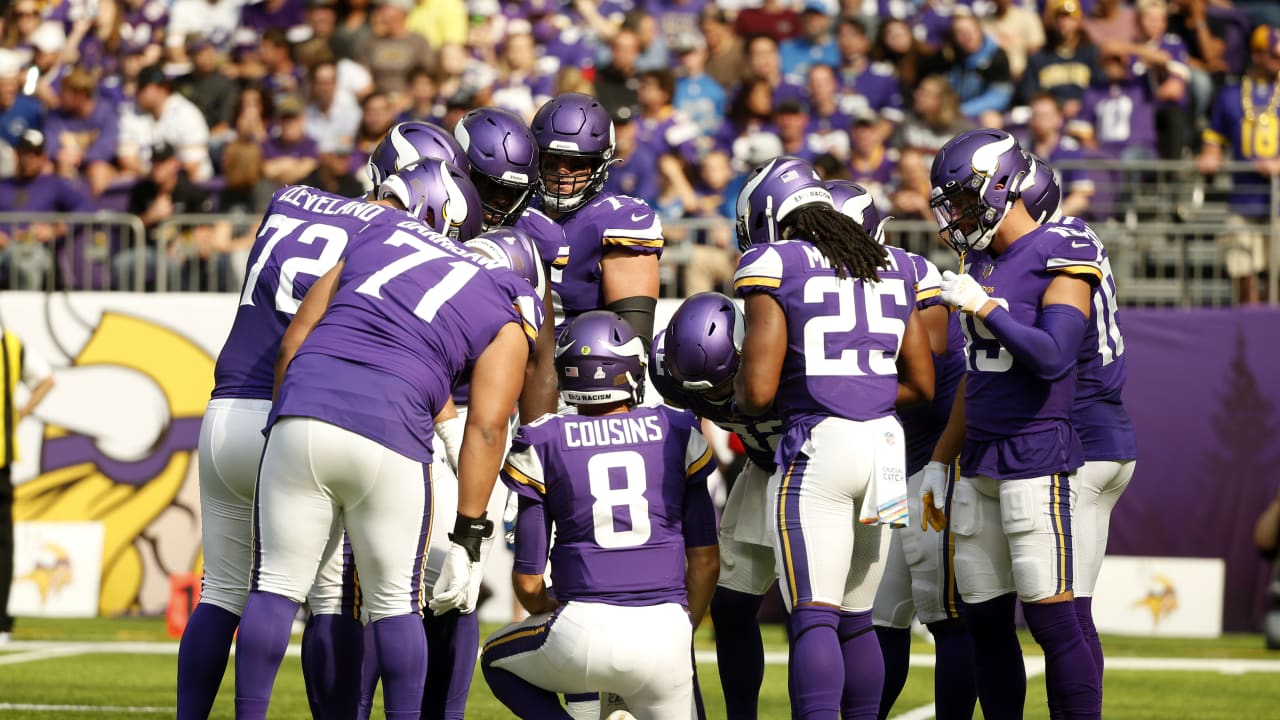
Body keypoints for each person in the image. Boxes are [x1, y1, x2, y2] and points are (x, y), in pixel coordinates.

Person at [233, 164, 538, 719]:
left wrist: (283, 424)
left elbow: (294, 340)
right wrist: (470, 531)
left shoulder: (379, 231)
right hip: (392, 431)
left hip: (305, 404)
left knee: (274, 589)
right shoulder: (507, 298)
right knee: (396, 605)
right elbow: (488, 426)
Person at [175, 160, 477, 720]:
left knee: (221, 590)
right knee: (329, 595)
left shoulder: (290, 197)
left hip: (225, 408)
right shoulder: (390, 237)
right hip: (301, 405)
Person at [733, 156, 935, 719]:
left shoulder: (776, 262)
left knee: (814, 614)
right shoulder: (894, 263)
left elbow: (759, 390)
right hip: (887, 450)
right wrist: (858, 390)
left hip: (819, 447)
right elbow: (921, 381)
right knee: (856, 616)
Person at [924, 129, 1103, 719]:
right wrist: (939, 460)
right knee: (984, 622)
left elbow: (1054, 355)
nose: (956, 215)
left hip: (1037, 455)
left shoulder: (1063, 247)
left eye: (965, 199)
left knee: (1054, 623)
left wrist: (987, 308)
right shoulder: (977, 259)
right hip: (979, 460)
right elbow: (977, 377)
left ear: (1004, 186)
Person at [481, 310, 720, 719]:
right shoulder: (677, 428)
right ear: (630, 370)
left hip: (584, 630)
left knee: (495, 661)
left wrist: (552, 607)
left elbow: (527, 580)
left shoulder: (543, 439)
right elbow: (705, 561)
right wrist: (683, 629)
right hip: (667, 633)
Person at [819, 179, 976, 720]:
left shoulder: (912, 274)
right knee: (876, 615)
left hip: (935, 461)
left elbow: (923, 365)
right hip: (885, 464)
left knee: (945, 612)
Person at [1022, 156, 1136, 703]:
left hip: (1082, 436)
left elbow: (1051, 350)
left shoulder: (1060, 245)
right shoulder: (1073, 237)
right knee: (1075, 613)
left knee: (1065, 615)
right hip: (1106, 432)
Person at [648, 292, 782, 720]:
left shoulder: (787, 357)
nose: (717, 399)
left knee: (817, 613)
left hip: (815, 472)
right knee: (731, 606)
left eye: (724, 386)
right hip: (761, 469)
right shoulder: (671, 376)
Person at [531, 92, 664, 347]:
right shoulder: (519, 212)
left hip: (585, 369)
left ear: (600, 164)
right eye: (552, 160)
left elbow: (632, 344)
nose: (562, 171)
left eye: (576, 163)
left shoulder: (618, 219)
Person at [0, 327, 55, 645]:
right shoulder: (12, 345)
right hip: (2, 459)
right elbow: (46, 379)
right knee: (2, 545)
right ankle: (2, 623)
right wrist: (18, 414)